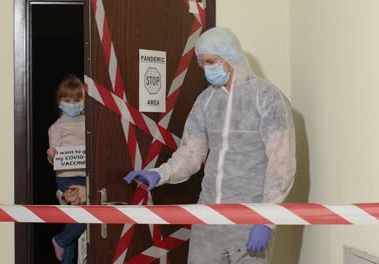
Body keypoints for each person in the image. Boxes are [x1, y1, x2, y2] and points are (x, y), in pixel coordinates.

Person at [124, 27, 296, 263]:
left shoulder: (267, 98)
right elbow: (190, 153)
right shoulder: (206, 101)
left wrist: (266, 219)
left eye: (211, 61)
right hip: (208, 216)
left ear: (230, 58)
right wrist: (159, 174)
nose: (207, 68)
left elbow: (281, 163)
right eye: (203, 63)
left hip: (250, 217)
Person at [47, 74, 87, 264]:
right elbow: (53, 156)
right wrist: (51, 154)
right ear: (60, 102)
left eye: (77, 100)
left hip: (86, 177)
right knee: (82, 219)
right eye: (67, 100)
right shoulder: (56, 127)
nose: (72, 104)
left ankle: (63, 245)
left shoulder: (88, 122)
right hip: (66, 178)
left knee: (74, 221)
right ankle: (60, 240)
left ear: (83, 101)